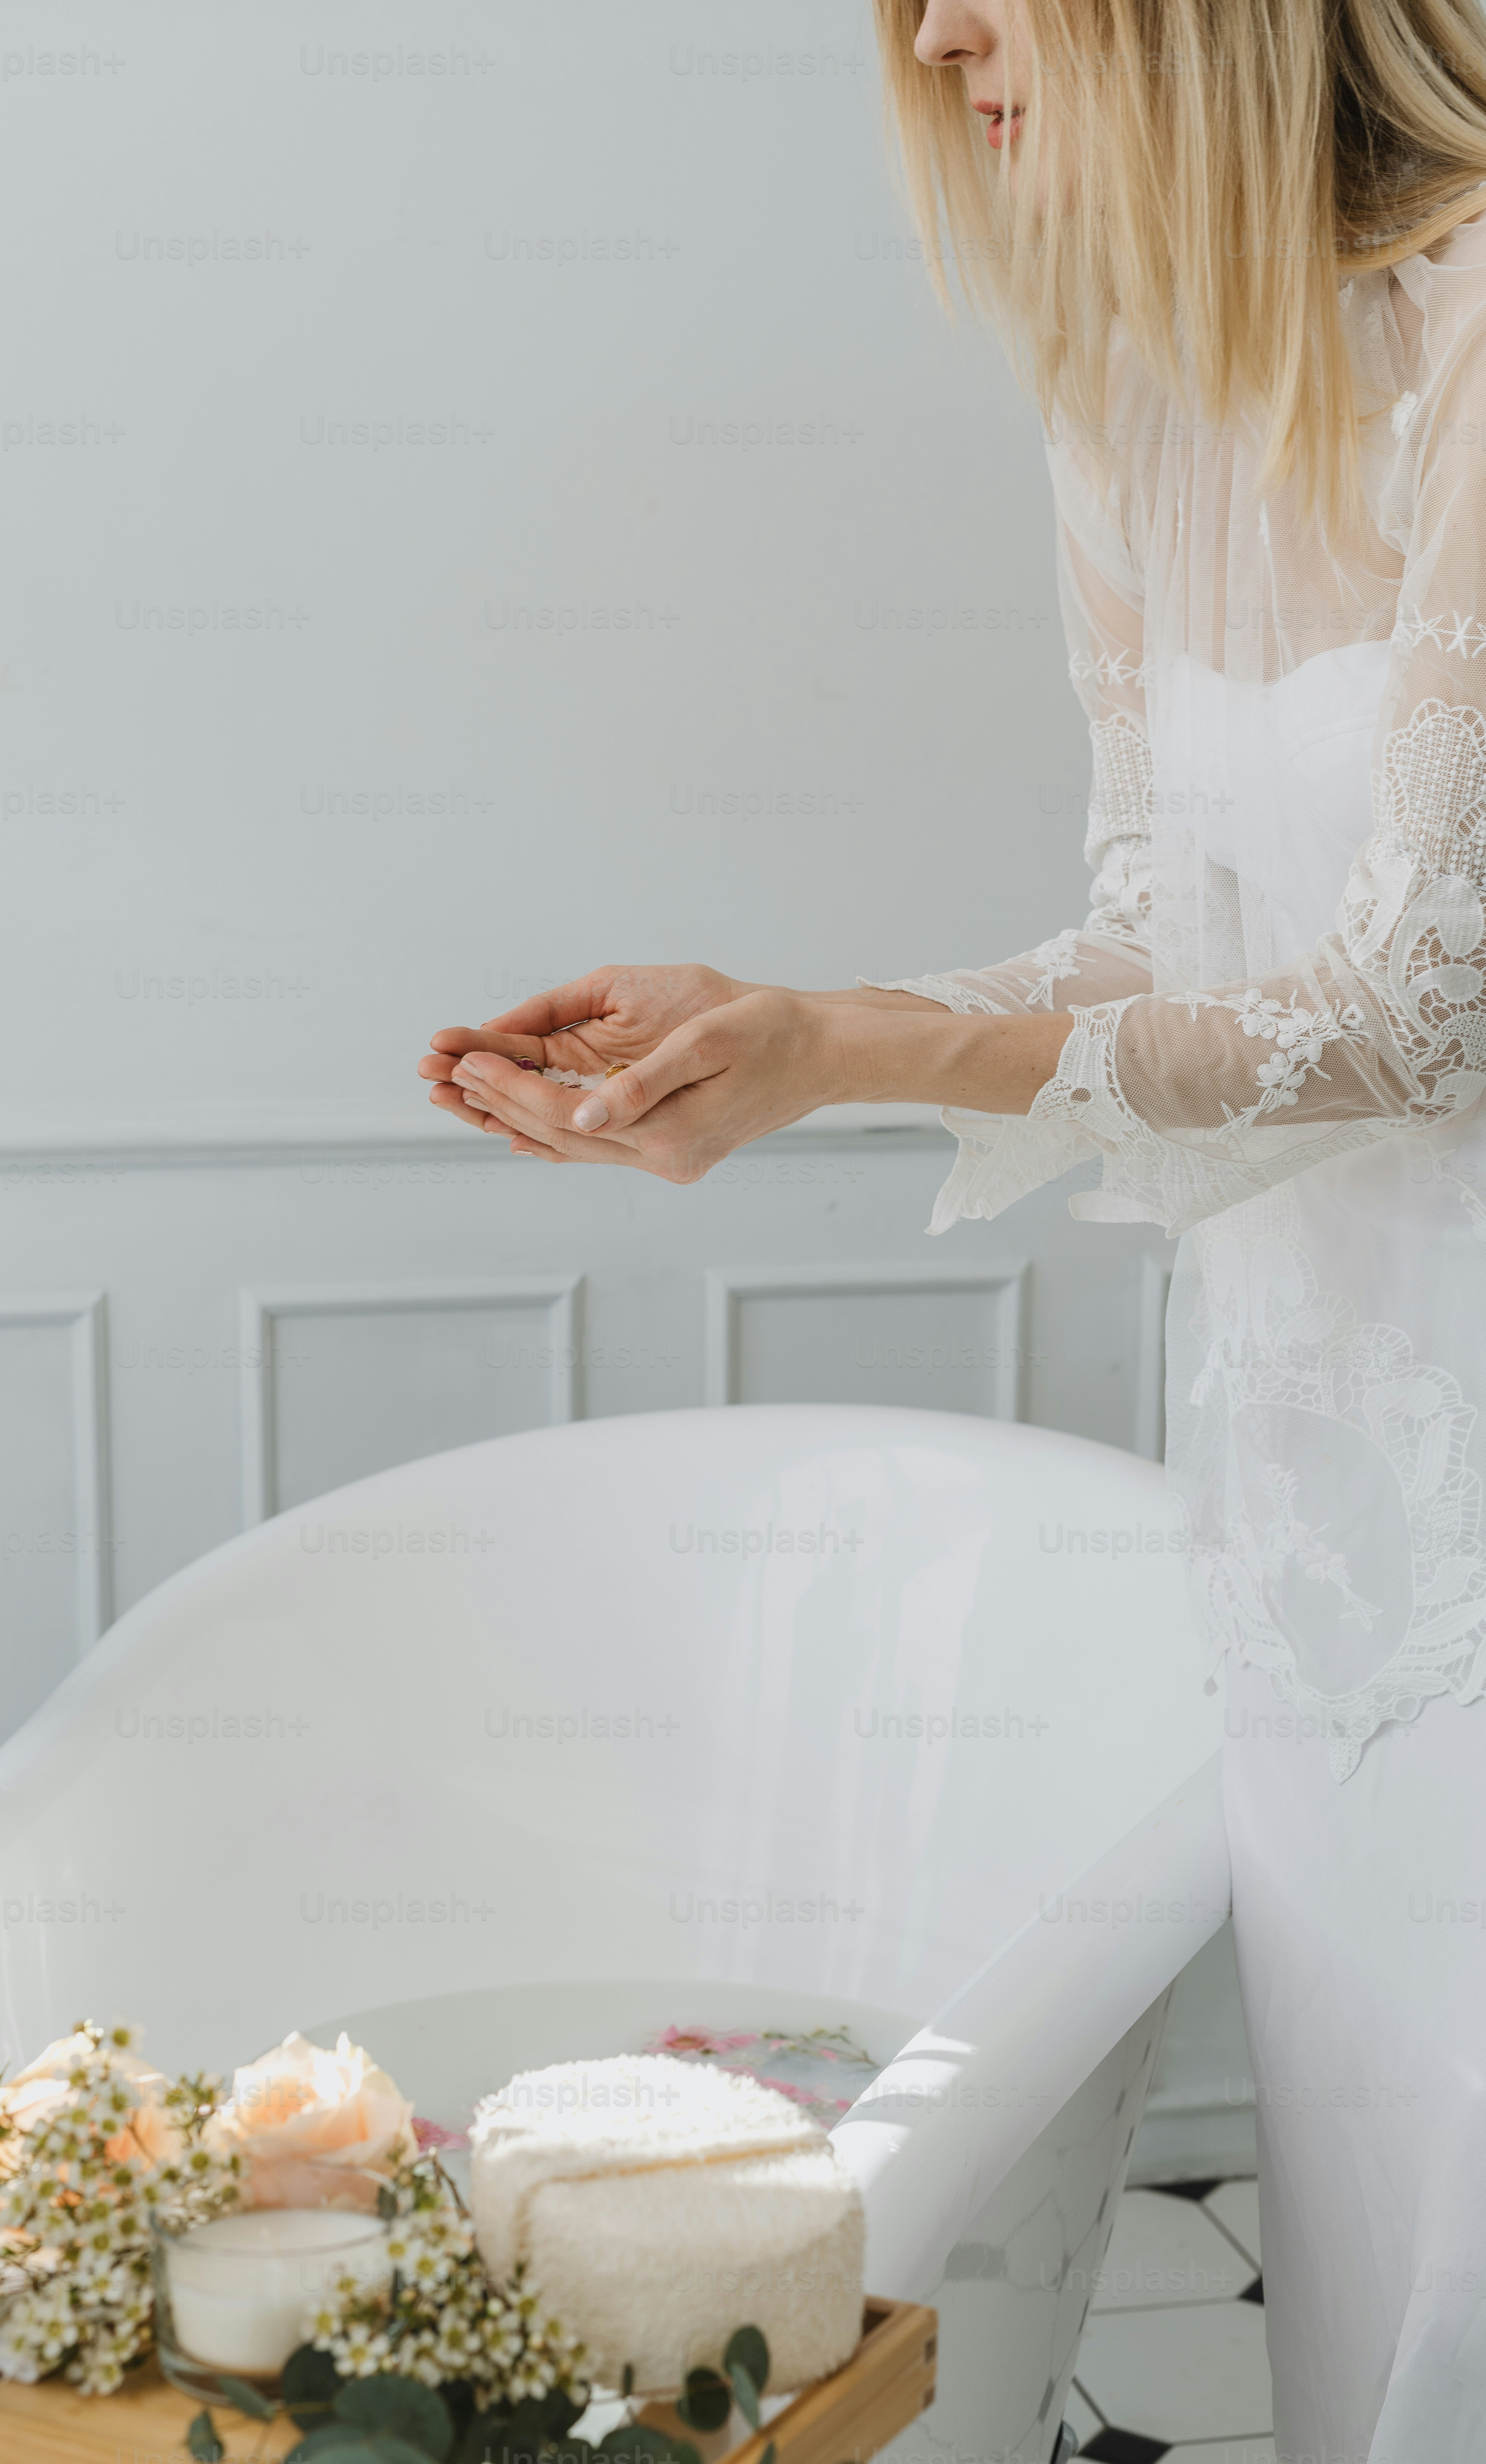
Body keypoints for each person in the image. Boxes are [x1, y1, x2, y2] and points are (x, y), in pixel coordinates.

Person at [421, 1, 1486, 2451]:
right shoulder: (1131, 389)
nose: (926, 34)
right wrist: (788, 1038)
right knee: (1381, 2210)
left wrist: (859, 1048)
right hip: (1305, 1487)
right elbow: (1155, 942)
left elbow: (1426, 1006)